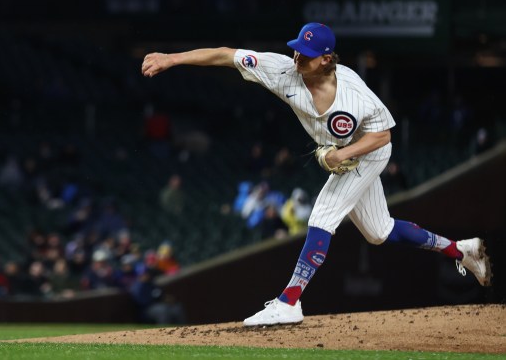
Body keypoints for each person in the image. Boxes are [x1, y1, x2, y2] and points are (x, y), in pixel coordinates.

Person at [141, 22, 493, 327]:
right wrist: (172, 59)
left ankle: (289, 301)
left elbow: (383, 135)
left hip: (369, 150)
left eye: (306, 54)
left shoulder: (353, 93)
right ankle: (461, 250)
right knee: (379, 232)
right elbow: (226, 54)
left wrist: (342, 153)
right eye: (296, 50)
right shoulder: (282, 70)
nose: (297, 58)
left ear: (327, 59)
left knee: (323, 214)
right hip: (345, 150)